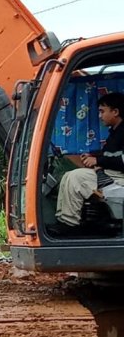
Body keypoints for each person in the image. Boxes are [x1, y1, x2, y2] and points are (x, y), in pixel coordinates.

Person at [52, 92, 124, 235]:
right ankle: (63, 220)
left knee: (76, 177)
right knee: (68, 176)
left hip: (119, 178)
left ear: (115, 112)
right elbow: (110, 155)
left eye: (102, 111)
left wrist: (97, 161)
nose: (100, 116)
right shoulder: (115, 132)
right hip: (111, 173)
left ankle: (70, 224)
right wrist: (94, 157)